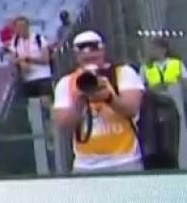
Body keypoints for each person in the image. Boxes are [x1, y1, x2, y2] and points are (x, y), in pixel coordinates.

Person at [52, 30, 145, 173]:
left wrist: (109, 98)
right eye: (83, 52)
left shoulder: (123, 73)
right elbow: (63, 126)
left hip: (126, 160)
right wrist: (79, 101)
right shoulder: (66, 82)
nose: (89, 55)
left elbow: (131, 109)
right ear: (77, 56)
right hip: (85, 165)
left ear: (103, 51)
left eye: (94, 51)